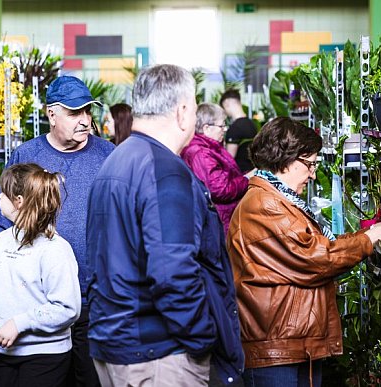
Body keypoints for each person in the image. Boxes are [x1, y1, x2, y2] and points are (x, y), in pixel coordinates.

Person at [86, 64, 244, 387]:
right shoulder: (164, 170)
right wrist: (203, 336)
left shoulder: (116, 159)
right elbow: (172, 272)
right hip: (157, 355)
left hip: (116, 343)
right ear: (183, 111)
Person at [227, 117, 381, 387]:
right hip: (276, 347)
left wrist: (368, 235)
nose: (312, 174)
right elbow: (316, 258)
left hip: (287, 341)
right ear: (286, 160)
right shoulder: (266, 205)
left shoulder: (276, 199)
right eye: (309, 164)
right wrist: (369, 239)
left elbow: (317, 246)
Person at [0, 75, 115, 387]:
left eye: (87, 111)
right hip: (35, 303)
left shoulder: (109, 156)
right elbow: (2, 225)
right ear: (51, 114)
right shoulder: (26, 156)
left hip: (93, 300)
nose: (85, 120)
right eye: (75, 113)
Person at [0, 163, 82, 387]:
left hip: (45, 357)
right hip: (4, 354)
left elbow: (67, 307)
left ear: (19, 201)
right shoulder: (2, 241)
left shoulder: (55, 249)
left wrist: (20, 323)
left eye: (3, 193)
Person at [182, 103, 255, 235]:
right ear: (206, 128)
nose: (225, 129)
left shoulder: (212, 148)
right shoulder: (201, 153)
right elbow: (219, 189)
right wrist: (247, 179)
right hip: (219, 221)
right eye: (221, 126)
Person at [220, 89, 257, 173]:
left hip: (239, 174)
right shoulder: (252, 124)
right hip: (252, 171)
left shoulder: (235, 128)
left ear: (226, 104)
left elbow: (229, 158)